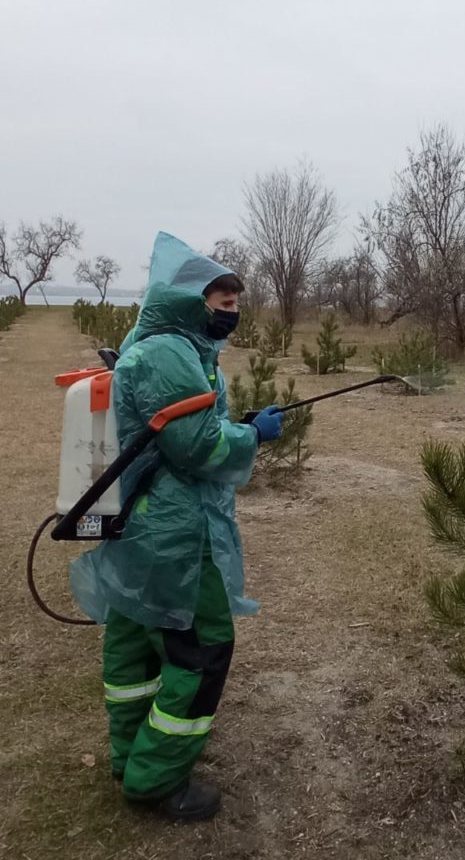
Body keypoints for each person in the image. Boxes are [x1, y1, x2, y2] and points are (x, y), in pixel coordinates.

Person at [70, 232, 282, 820]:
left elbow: (173, 427)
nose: (231, 311)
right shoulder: (170, 352)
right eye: (221, 300)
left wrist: (225, 423)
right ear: (189, 300)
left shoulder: (158, 343)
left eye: (237, 301)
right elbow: (196, 448)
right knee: (201, 647)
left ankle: (131, 755)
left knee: (136, 640)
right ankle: (156, 781)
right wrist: (252, 435)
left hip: (143, 523)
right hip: (173, 531)